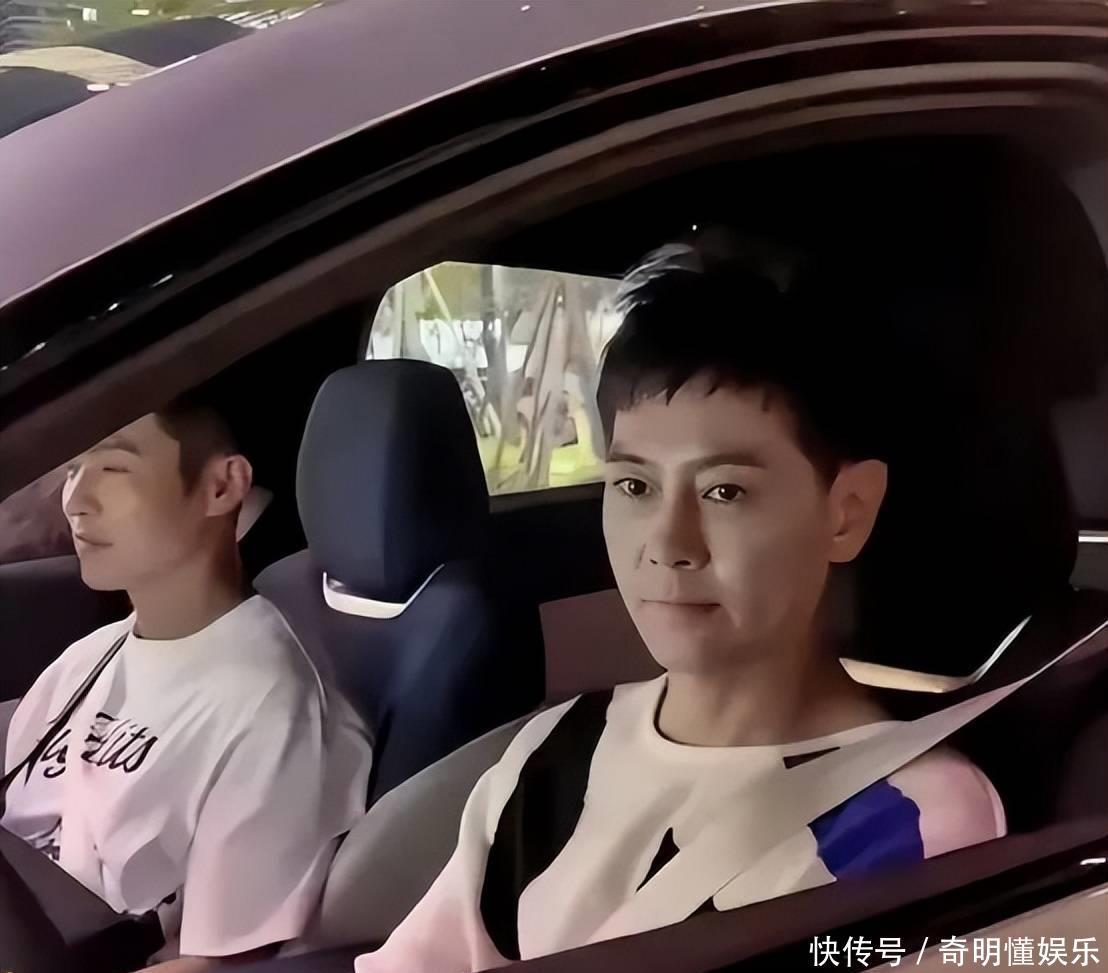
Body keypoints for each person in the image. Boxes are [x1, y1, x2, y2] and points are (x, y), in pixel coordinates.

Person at [354, 243, 1005, 973]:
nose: (667, 545)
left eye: (725, 491)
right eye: (635, 486)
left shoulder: (913, 819)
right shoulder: (553, 748)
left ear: (846, 512)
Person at [1, 392, 373, 972]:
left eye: (113, 468)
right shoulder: (87, 659)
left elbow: (212, 963)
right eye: (72, 469)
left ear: (222, 487)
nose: (76, 501)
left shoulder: (272, 712)